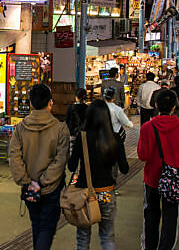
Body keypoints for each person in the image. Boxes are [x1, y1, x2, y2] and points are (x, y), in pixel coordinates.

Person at [9, 84, 70, 250]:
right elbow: (61, 160)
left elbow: (14, 157)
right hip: (52, 188)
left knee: (36, 225)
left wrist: (28, 182)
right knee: (47, 228)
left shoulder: (20, 128)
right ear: (50, 102)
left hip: (29, 188)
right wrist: (42, 182)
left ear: (30, 104)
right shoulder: (60, 128)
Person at [137, 89, 179, 250]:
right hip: (174, 181)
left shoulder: (147, 127)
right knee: (170, 219)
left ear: (156, 105)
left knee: (151, 216)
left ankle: (149, 247)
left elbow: (142, 155)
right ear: (174, 108)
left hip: (152, 179)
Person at [68, 100, 129, 249]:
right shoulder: (115, 138)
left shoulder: (82, 137)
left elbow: (71, 166)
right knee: (107, 236)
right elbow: (125, 169)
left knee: (83, 237)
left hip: (85, 193)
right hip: (106, 192)